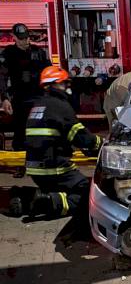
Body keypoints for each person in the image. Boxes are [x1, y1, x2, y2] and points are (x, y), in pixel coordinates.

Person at [9, 66, 102, 221]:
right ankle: (45, 203)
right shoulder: (60, 106)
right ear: (52, 85)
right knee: (87, 193)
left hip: (34, 167)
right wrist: (100, 143)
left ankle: (26, 198)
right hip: (54, 167)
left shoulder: (38, 106)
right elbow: (81, 137)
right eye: (64, 83)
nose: (67, 87)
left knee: (58, 190)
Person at [2, 23, 51, 151]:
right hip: (20, 100)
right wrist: (4, 98)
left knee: (40, 131)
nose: (25, 41)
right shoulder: (8, 54)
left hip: (38, 99)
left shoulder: (38, 52)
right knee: (20, 133)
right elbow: (1, 77)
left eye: (27, 37)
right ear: (14, 38)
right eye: (22, 38)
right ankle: (20, 163)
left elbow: (49, 73)